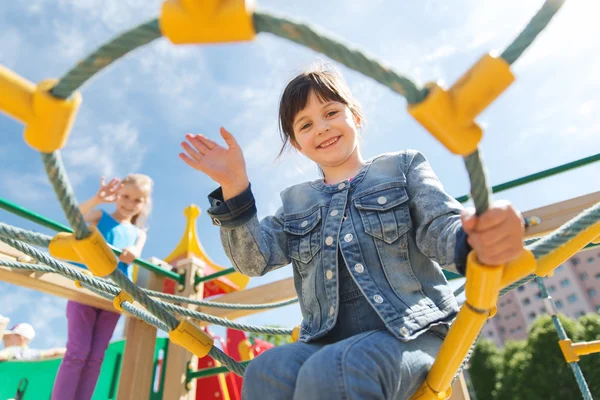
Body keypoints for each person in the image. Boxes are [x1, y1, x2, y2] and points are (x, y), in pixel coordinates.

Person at [179, 65, 525, 399]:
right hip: (324, 342)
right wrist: (234, 187)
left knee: (337, 368)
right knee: (266, 371)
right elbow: (254, 259)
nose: (322, 128)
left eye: (331, 113)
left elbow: (440, 226)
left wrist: (475, 238)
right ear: (298, 144)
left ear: (355, 117)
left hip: (412, 332)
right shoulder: (297, 203)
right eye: (305, 124)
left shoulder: (401, 168)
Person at [51, 174, 153, 400]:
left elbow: (136, 250)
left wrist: (134, 253)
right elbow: (73, 217)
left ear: (143, 204)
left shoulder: (139, 233)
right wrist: (97, 198)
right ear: (117, 195)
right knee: (78, 352)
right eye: (125, 196)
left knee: (96, 356)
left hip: (114, 295)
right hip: (86, 287)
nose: (129, 203)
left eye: (137, 200)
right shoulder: (101, 216)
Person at [0, 321, 66, 361]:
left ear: (21, 338)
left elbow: (1, 356)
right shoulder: (33, 354)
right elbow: (54, 352)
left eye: (7, 337)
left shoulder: (11, 351)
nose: (4, 340)